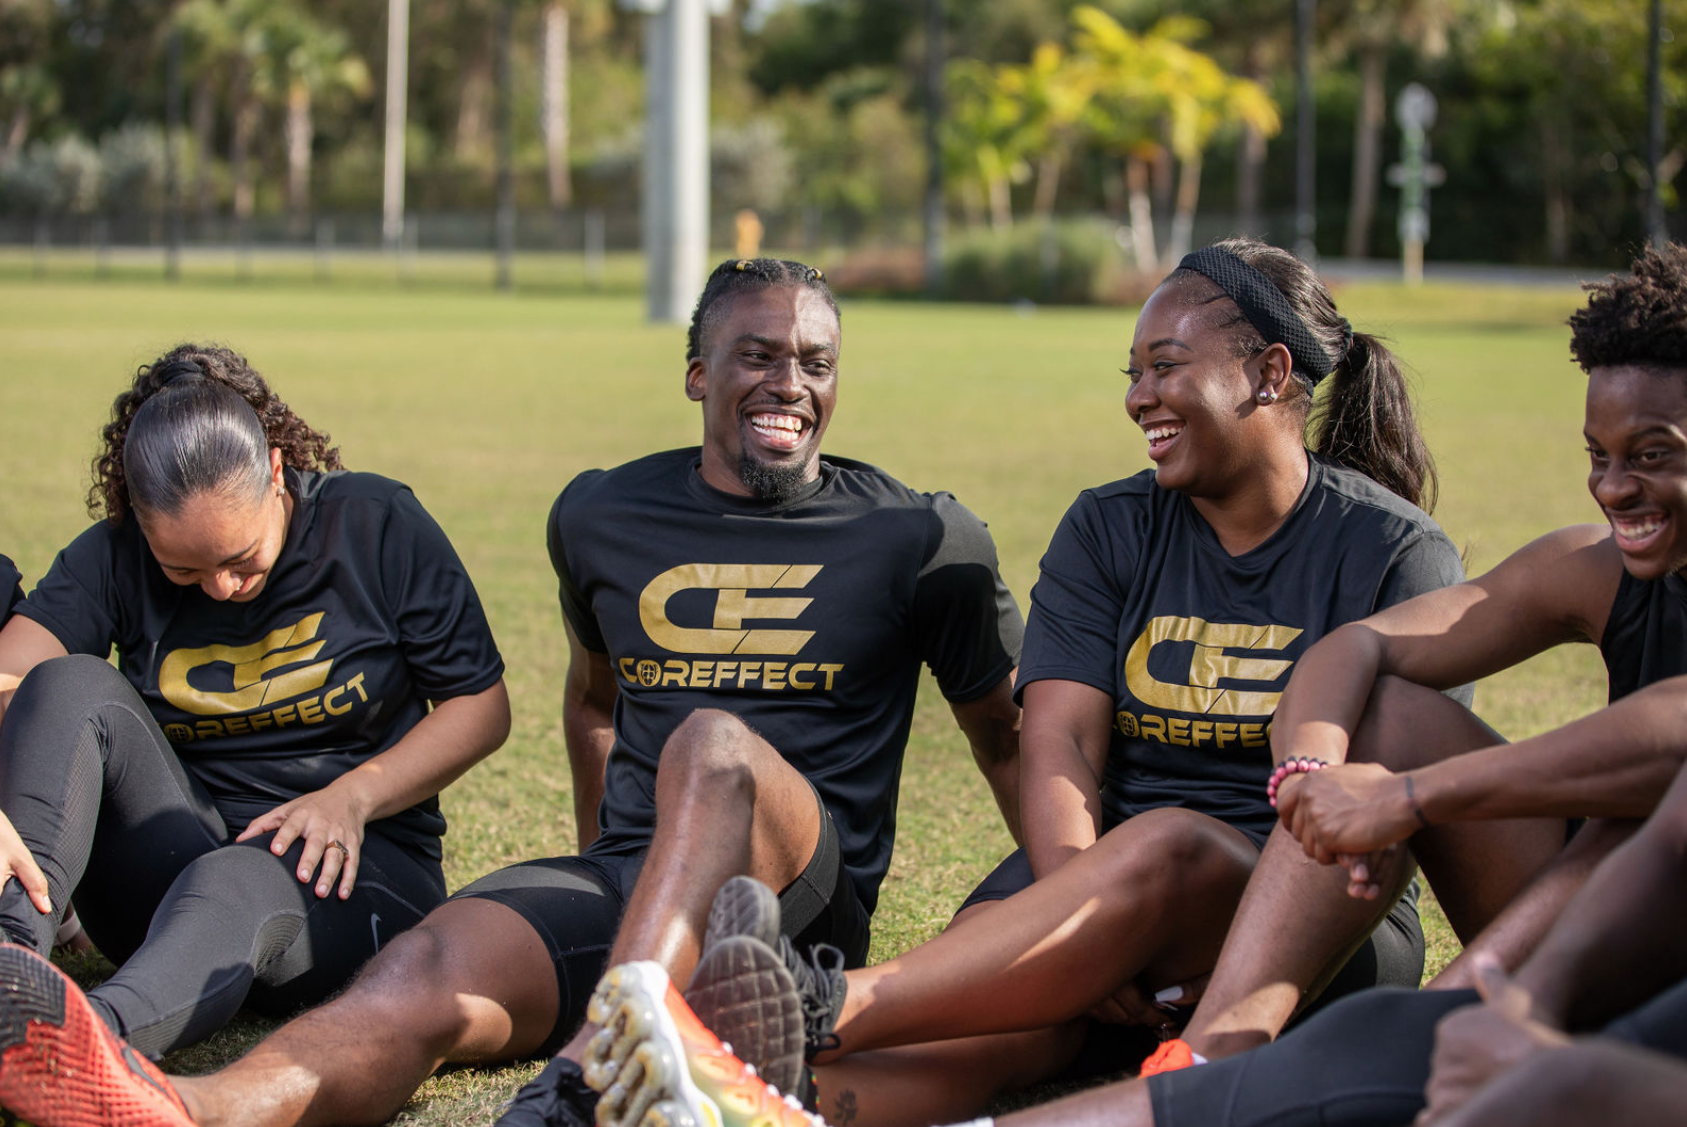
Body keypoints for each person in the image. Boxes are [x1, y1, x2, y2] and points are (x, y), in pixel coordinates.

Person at [578, 241, 1687, 1127]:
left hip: (1304, 905)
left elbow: (1434, 767)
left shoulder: (1387, 544)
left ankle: (808, 1004)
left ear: (1270, 375)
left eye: (1165, 367)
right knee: (1004, 1023)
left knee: (1167, 847)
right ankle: (742, 1102)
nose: (1139, 396)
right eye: (1134, 373)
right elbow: (1057, 741)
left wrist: (1339, 804)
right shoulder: (1110, 525)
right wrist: (1081, 915)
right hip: (1105, 873)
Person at [0, 258, 1025, 1127]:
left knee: (713, 745)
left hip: (793, 903)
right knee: (420, 968)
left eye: (814, 362)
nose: (788, 384)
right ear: (697, 372)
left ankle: (590, 1073)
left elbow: (1009, 735)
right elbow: (592, 703)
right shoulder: (603, 514)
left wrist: (1058, 896)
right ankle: (174, 1100)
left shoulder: (920, 537)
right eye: (758, 356)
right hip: (633, 882)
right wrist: (614, 863)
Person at [0, 343, 511, 1098]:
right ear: (139, 521)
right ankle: (9, 964)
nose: (221, 587)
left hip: (352, 871)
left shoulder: (375, 525)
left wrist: (352, 797)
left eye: (241, 558)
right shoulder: (110, 557)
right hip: (174, 862)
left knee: (242, 872)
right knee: (68, 683)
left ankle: (66, 1049)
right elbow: (16, 683)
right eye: (183, 570)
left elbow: (482, 706)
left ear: (275, 472)